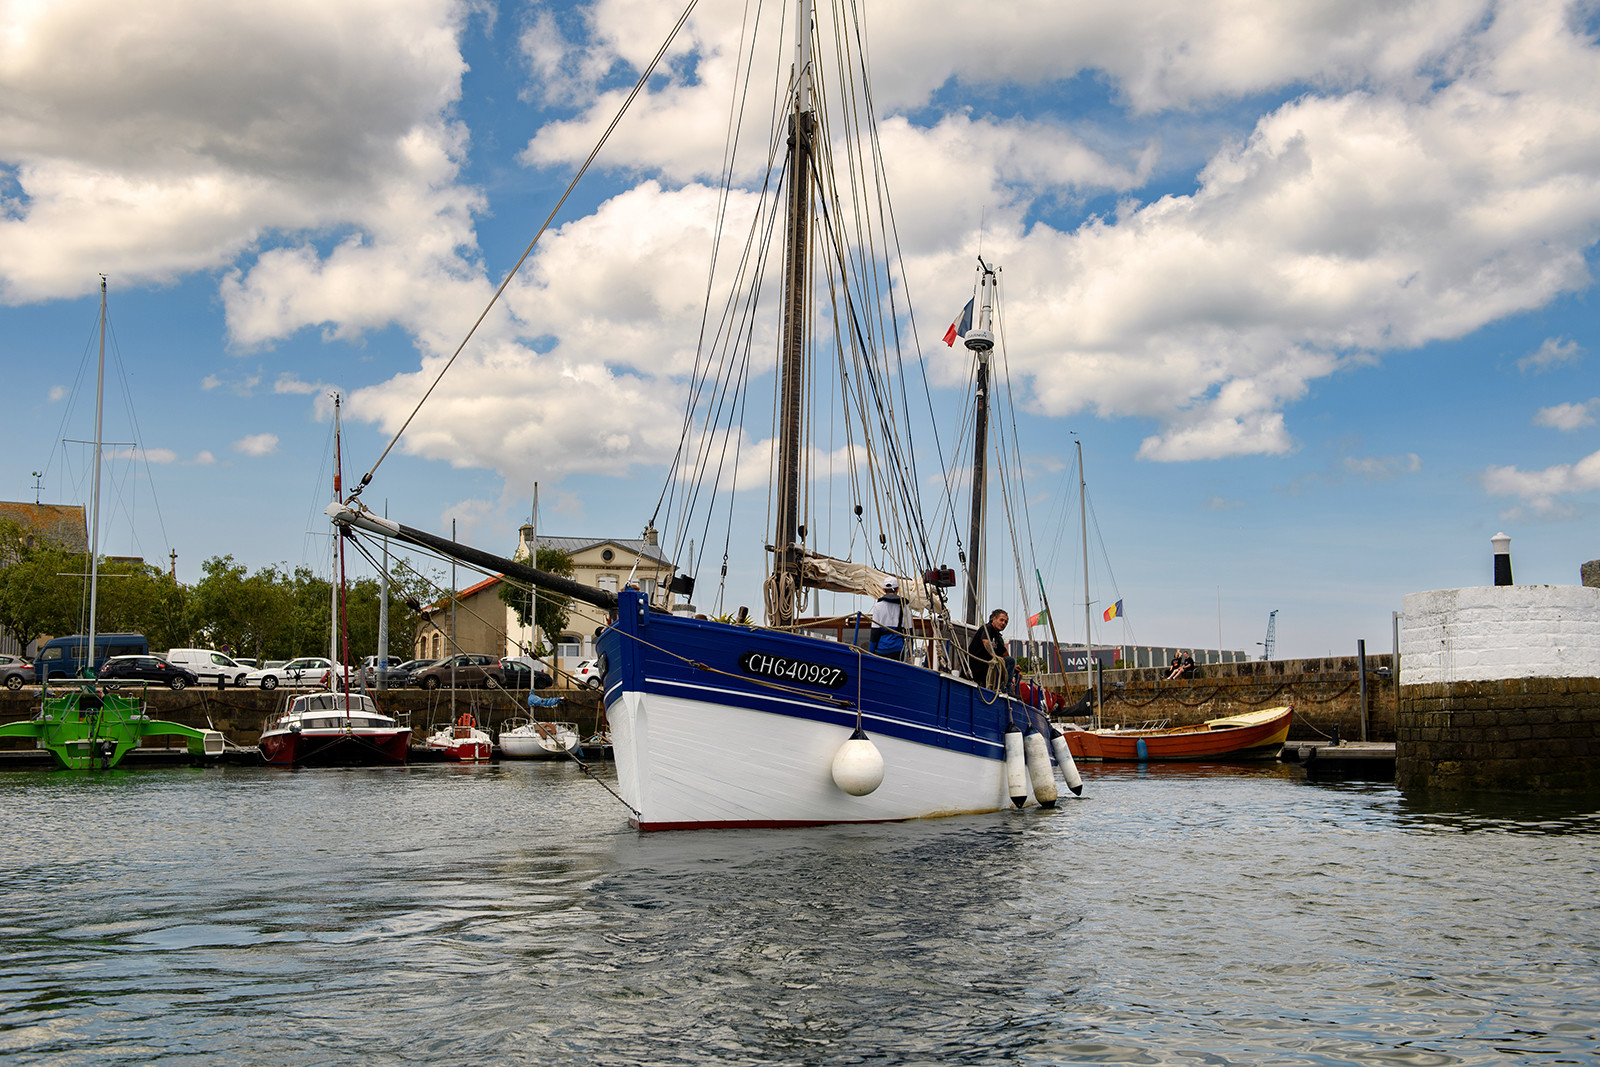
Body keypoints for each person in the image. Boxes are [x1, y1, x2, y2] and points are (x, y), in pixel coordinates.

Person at [966, 608, 1013, 687]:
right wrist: (995, 656)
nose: (1003, 623)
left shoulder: (997, 636)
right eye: (1001, 620)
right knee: (1005, 661)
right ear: (994, 619)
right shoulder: (987, 628)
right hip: (975, 667)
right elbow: (986, 641)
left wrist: (1013, 668)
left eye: (1006, 622)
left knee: (1010, 661)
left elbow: (1004, 652)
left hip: (985, 669)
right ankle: (1005, 689)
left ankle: (1005, 687)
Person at [869, 578, 905, 660]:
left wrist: (870, 653)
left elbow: (875, 632)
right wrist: (910, 654)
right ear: (898, 589)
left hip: (882, 649)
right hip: (899, 649)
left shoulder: (877, 606)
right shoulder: (904, 606)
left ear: (883, 590)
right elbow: (909, 631)